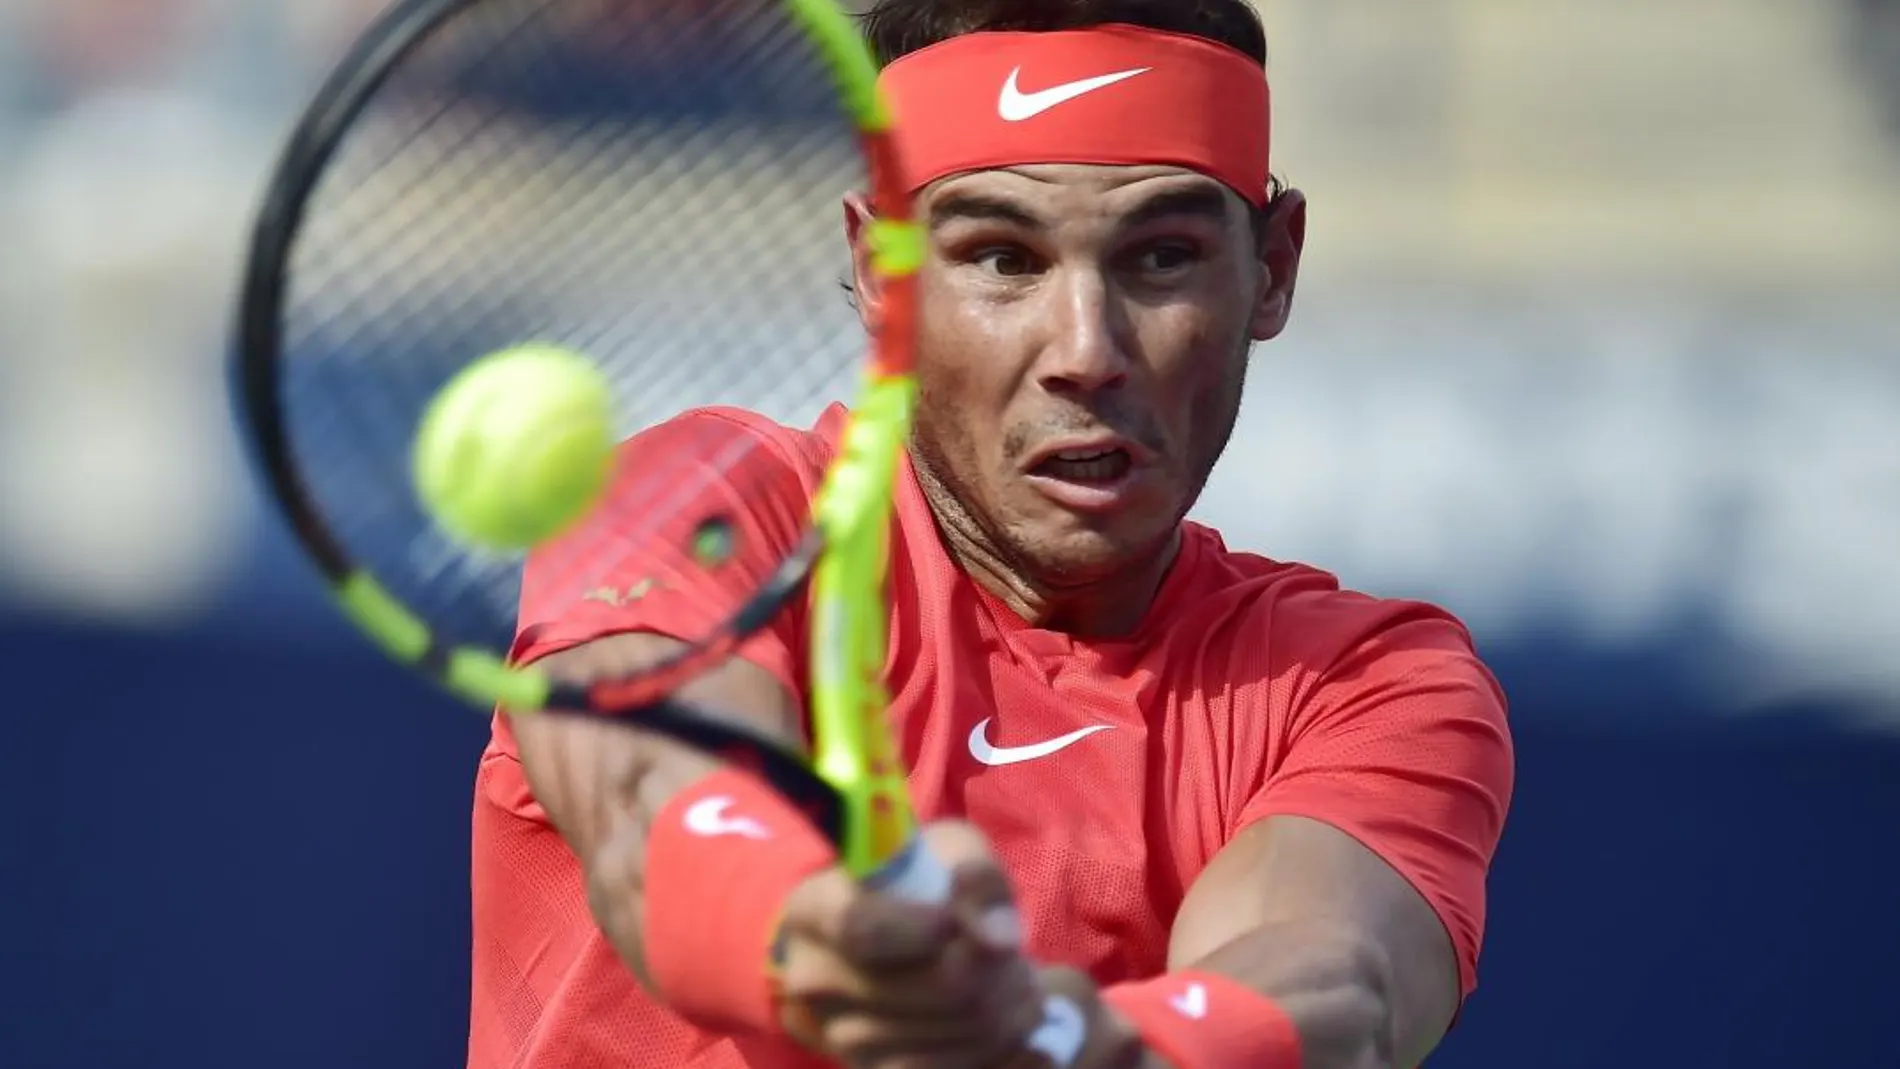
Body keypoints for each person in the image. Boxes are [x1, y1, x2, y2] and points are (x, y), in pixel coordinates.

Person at [466, 2, 1515, 1067]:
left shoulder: (1369, 683)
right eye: (1003, 259)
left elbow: (1342, 988)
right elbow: (653, 809)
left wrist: (1062, 1043)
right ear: (882, 274)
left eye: (1160, 257)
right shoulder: (689, 505)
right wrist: (813, 933)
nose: (1085, 351)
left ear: (1272, 267)